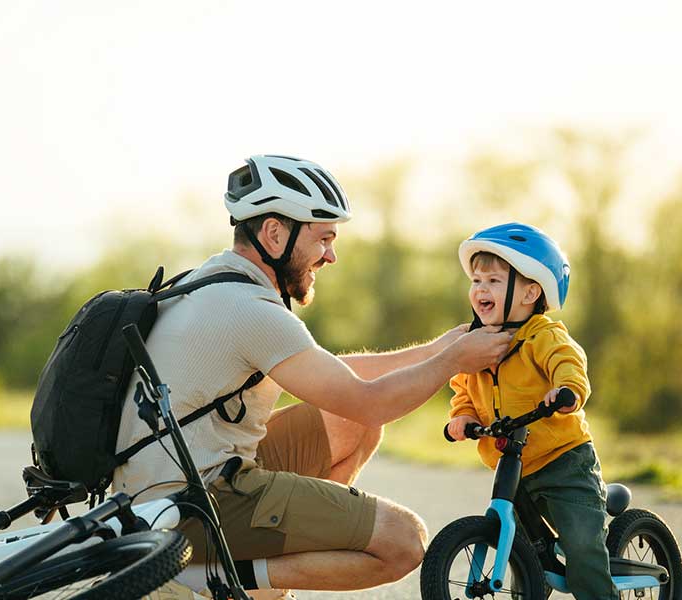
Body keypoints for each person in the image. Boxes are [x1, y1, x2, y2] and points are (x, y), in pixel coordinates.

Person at [113, 155, 512, 600]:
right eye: (324, 238)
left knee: (352, 424)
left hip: (156, 490)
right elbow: (371, 400)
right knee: (404, 541)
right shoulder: (252, 310)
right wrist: (452, 362)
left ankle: (271, 558)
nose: (331, 255)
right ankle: (217, 578)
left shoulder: (210, 282)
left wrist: (439, 349)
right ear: (275, 233)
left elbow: (338, 381)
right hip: (192, 505)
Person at [445, 222, 617, 600]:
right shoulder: (477, 345)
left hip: (563, 462)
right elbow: (463, 389)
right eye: (476, 281)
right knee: (523, 556)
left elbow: (568, 363)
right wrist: (464, 418)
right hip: (513, 465)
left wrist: (566, 390)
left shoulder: (543, 335)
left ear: (530, 291)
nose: (480, 289)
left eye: (492, 280)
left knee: (582, 547)